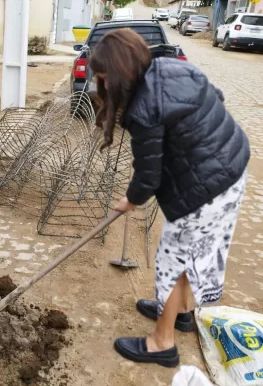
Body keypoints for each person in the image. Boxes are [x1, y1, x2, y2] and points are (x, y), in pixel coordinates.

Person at [89, 29, 250, 368]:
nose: (100, 83)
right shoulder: (172, 67)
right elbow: (216, 97)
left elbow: (148, 175)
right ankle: (182, 313)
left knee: (173, 262)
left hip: (204, 191)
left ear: (117, 74)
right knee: (192, 254)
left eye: (103, 76)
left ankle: (162, 343)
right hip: (232, 171)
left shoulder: (143, 109)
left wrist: (130, 200)